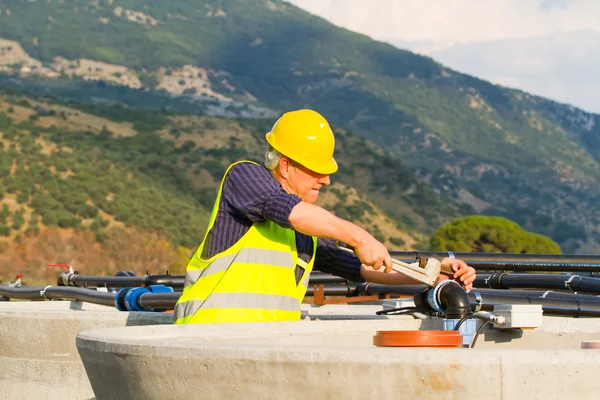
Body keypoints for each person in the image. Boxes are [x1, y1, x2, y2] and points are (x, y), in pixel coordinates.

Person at [174, 109, 476, 324]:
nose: (326, 180)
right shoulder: (245, 177)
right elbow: (287, 209)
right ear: (285, 165)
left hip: (259, 348)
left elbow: (365, 269)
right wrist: (360, 236)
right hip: (205, 339)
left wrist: (435, 272)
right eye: (316, 170)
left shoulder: (304, 234)